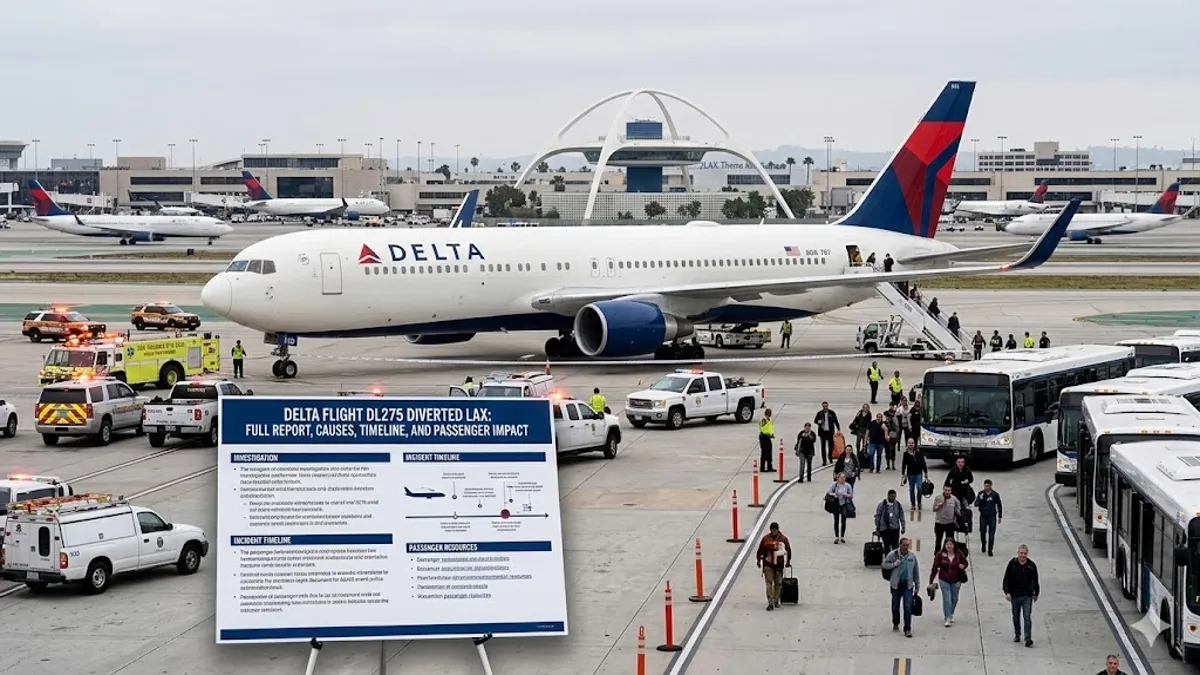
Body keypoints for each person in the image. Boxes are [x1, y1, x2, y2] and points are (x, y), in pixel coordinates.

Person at [1002, 544, 1040, 647]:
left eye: (1025, 553)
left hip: (1027, 596)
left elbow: (1035, 580)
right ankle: (1017, 633)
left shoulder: (1031, 566)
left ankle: (1028, 638)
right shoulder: (1012, 564)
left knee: (1027, 617)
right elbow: (1006, 578)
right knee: (1016, 616)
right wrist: (1007, 592)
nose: (1023, 555)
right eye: (1021, 553)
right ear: (1018, 553)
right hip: (1015, 595)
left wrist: (1036, 593)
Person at [882, 537, 920, 638]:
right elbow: (884, 564)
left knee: (908, 607)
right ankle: (896, 622)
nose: (906, 547)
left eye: (907, 545)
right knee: (895, 605)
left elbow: (916, 572)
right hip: (896, 585)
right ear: (900, 545)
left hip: (907, 585)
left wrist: (917, 585)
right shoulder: (893, 554)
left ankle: (907, 628)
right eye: (904, 545)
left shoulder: (912, 556)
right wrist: (894, 564)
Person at [929, 537, 968, 627]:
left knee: (954, 599)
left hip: (956, 579)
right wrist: (931, 579)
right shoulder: (940, 555)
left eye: (951, 544)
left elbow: (965, 562)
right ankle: (947, 617)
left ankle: (950, 613)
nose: (949, 546)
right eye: (947, 544)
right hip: (944, 579)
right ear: (944, 545)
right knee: (947, 599)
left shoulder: (959, 554)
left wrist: (963, 566)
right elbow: (934, 568)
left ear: (954, 545)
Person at [755, 522, 792, 611]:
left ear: (777, 530)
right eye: (772, 530)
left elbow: (788, 550)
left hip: (779, 565)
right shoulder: (766, 539)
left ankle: (776, 599)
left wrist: (788, 562)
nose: (773, 532)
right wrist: (758, 560)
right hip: (768, 564)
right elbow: (760, 550)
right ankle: (770, 601)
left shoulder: (783, 539)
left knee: (778, 583)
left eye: (775, 530)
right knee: (769, 582)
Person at [974, 479, 1004, 556]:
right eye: (985, 486)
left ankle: (990, 550)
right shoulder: (981, 494)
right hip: (983, 516)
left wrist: (1000, 515)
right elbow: (976, 504)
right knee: (982, 531)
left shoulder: (995, 494)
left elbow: (999, 505)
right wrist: (980, 499)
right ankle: (983, 544)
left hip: (992, 516)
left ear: (991, 486)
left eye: (988, 486)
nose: (986, 487)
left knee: (991, 534)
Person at [874, 489, 906, 554]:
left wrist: (903, 526)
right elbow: (878, 516)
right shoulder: (882, 505)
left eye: (894, 496)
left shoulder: (898, 505)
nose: (893, 498)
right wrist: (877, 527)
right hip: (885, 529)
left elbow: (901, 516)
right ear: (888, 496)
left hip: (895, 529)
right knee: (886, 546)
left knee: (895, 546)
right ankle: (887, 560)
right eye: (892, 496)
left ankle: (896, 559)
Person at [901, 439, 929, 510]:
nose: (910, 444)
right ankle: (913, 504)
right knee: (911, 489)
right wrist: (903, 474)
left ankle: (919, 503)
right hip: (910, 474)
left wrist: (926, 472)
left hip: (918, 473)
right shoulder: (905, 454)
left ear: (914, 444)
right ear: (907, 444)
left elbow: (923, 463)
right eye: (909, 443)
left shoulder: (919, 453)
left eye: (912, 443)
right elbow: (904, 464)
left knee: (919, 488)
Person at [827, 472, 854, 543]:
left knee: (843, 520)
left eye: (844, 478)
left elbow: (851, 495)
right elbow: (829, 492)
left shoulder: (847, 486)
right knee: (836, 521)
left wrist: (846, 495)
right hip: (836, 504)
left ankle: (842, 536)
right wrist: (835, 494)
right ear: (838, 478)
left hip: (844, 504)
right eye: (841, 478)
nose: (843, 479)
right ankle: (836, 537)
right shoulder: (834, 485)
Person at [932, 485, 960, 552]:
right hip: (939, 523)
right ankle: (937, 555)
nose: (947, 492)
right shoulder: (938, 498)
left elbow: (958, 509)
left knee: (950, 541)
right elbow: (934, 509)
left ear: (951, 491)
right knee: (938, 540)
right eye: (946, 490)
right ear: (943, 490)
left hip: (949, 523)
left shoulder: (954, 499)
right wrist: (938, 506)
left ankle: (948, 554)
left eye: (949, 490)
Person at [758, 408, 775, 473]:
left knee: (769, 453)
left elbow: (769, 428)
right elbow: (762, 429)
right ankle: (762, 468)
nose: (769, 415)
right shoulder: (763, 420)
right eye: (768, 414)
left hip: (768, 437)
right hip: (764, 437)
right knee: (764, 453)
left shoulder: (769, 420)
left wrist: (771, 434)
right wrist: (767, 434)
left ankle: (769, 467)